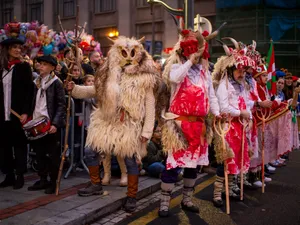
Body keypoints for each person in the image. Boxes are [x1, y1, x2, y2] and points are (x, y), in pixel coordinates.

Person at [66, 36, 159, 212]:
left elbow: (150, 105)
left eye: (132, 52)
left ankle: (132, 196)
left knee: (131, 160)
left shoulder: (146, 78)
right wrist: (75, 89)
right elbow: (94, 91)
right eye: (124, 52)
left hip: (129, 124)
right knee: (89, 151)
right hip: (106, 121)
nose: (129, 56)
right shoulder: (108, 75)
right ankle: (96, 184)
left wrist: (147, 131)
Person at [158, 28, 220, 217]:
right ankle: (164, 202)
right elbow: (174, 78)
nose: (199, 58)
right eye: (195, 53)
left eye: (201, 55)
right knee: (173, 165)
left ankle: (186, 199)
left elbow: (212, 97)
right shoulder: (177, 68)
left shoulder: (205, 74)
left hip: (198, 127)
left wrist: (217, 114)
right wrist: (190, 62)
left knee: (192, 166)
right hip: (178, 127)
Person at [212, 40, 255, 207]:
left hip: (240, 127)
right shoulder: (224, 85)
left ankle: (229, 190)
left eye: (244, 70)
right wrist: (240, 113)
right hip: (227, 127)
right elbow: (224, 107)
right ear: (231, 69)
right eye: (239, 69)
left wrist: (249, 118)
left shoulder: (241, 86)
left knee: (236, 159)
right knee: (225, 160)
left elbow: (246, 103)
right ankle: (217, 193)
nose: (242, 73)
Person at [27, 55, 66, 194]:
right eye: (40, 64)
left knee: (52, 155)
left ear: (52, 68)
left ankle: (53, 181)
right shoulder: (36, 82)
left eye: (44, 64)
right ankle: (42, 179)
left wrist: (55, 123)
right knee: (39, 153)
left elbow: (62, 105)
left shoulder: (56, 83)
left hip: (49, 124)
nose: (40, 66)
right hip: (37, 122)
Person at [0, 38, 34, 189]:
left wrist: (26, 112)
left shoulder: (23, 67)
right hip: (3, 114)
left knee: (19, 145)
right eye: (14, 47)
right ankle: (9, 175)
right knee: (4, 146)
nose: (18, 50)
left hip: (17, 114)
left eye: (19, 48)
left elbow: (29, 92)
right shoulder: (1, 67)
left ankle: (20, 175)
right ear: (7, 49)